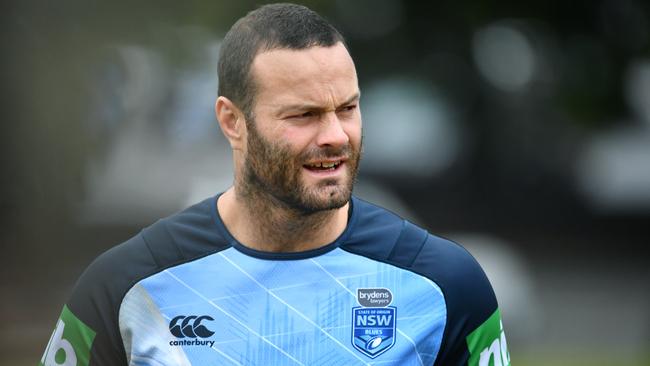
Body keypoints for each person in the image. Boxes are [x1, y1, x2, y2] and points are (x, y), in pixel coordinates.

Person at [40, 3, 510, 366]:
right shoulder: (124, 287)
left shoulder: (447, 286)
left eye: (347, 108)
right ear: (232, 121)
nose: (334, 136)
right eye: (303, 115)